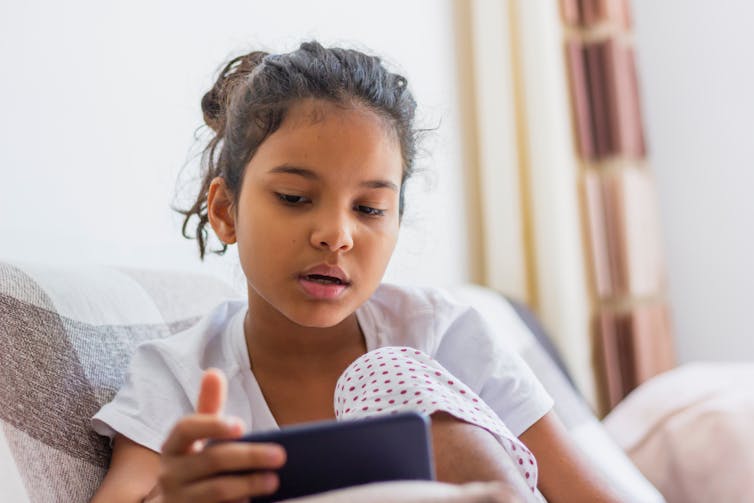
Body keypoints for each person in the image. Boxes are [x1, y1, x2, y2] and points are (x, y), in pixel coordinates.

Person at [90, 41, 619, 503]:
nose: (336, 235)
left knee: (384, 371)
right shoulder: (180, 378)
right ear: (226, 212)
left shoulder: (441, 333)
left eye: (368, 209)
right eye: (295, 198)